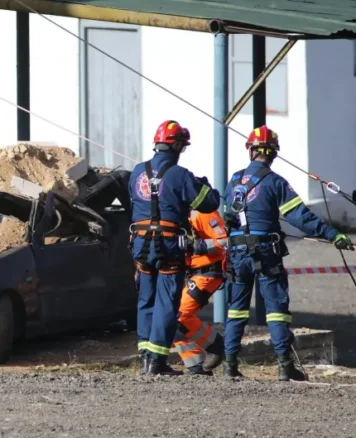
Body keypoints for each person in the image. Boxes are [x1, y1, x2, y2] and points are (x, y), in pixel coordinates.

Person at [221, 126, 353, 381]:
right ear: (273, 155)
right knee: (276, 309)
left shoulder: (234, 181)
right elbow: (300, 217)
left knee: (236, 309)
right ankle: (284, 365)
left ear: (250, 150)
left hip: (237, 254)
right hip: (265, 253)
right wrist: (331, 234)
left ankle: (229, 365)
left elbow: (228, 217)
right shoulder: (275, 182)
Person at [128, 120, 220, 376]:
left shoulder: (137, 172)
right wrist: (203, 184)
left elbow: (133, 206)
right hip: (168, 246)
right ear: (177, 146)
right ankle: (157, 362)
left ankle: (146, 360)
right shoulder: (180, 175)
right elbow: (209, 202)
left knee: (145, 300)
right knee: (166, 302)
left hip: (141, 246)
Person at [172, 209, 228, 375]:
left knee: (180, 315)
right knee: (173, 320)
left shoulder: (203, 213)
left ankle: (217, 346)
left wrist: (199, 246)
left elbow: (224, 241)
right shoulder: (177, 213)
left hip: (208, 273)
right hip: (191, 273)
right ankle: (196, 367)